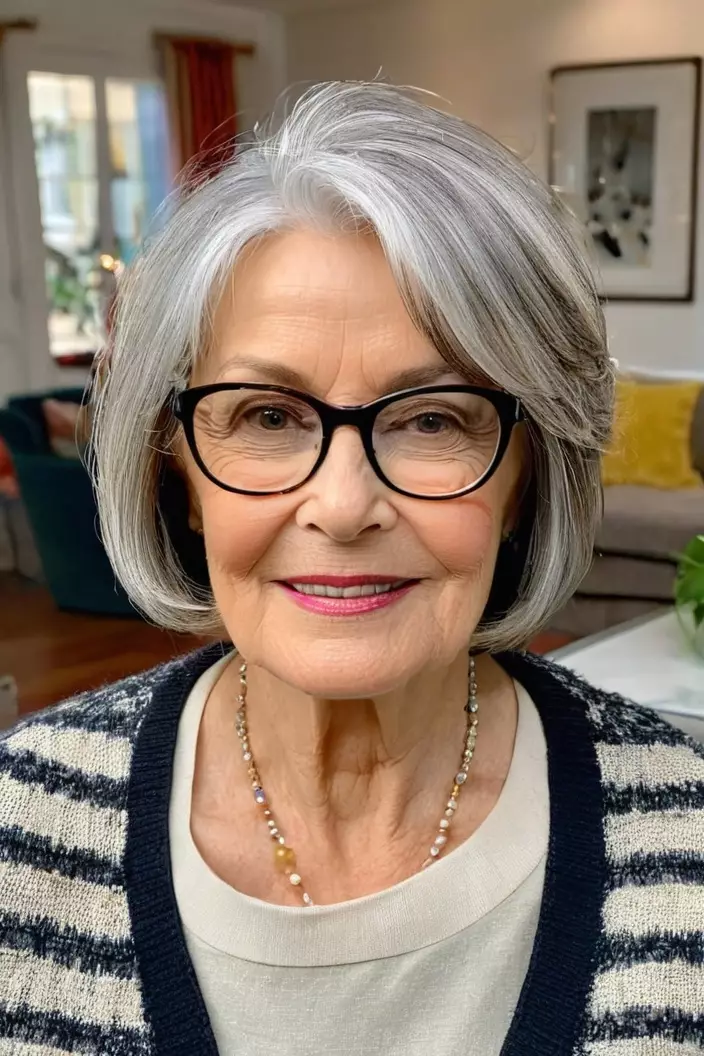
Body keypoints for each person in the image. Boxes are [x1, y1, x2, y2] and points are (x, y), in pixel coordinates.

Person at [0, 81, 702, 1056]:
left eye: (431, 420)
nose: (339, 506)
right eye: (266, 416)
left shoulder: (683, 831)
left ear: (525, 476)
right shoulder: (22, 821)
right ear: (177, 475)